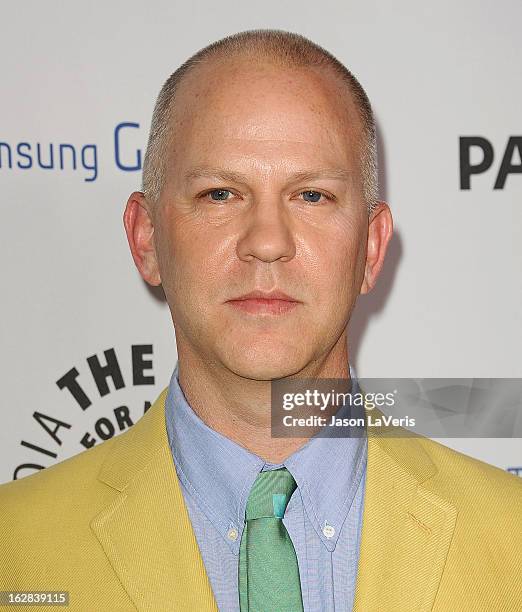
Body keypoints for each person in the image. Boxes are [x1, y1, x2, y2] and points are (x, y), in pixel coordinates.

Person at [0, 29, 520, 612]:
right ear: (145, 238)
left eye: (312, 196)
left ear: (371, 249)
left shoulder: (513, 538)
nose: (267, 243)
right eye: (221, 194)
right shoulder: (12, 550)